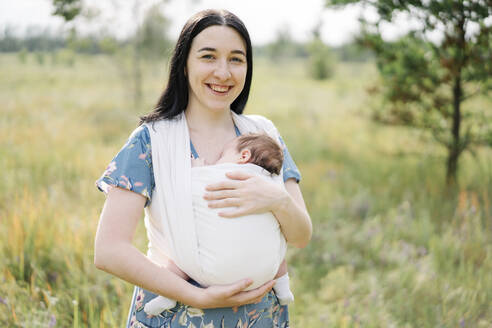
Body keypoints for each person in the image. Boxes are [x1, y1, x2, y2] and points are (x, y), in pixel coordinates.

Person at [94, 9, 312, 328]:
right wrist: (197, 297)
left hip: (258, 315)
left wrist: (276, 200)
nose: (223, 73)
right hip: (175, 315)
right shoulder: (151, 142)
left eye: (236, 59)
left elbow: (302, 236)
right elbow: (109, 251)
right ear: (184, 64)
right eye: (208, 57)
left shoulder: (263, 136)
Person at [143, 133, 295, 316]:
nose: (217, 161)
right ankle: (283, 288)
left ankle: (168, 295)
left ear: (244, 156)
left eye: (223, 155)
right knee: (276, 250)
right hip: (264, 274)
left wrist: (197, 168)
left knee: (178, 258)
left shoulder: (224, 173)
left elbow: (185, 187)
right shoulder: (271, 185)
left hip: (215, 273)